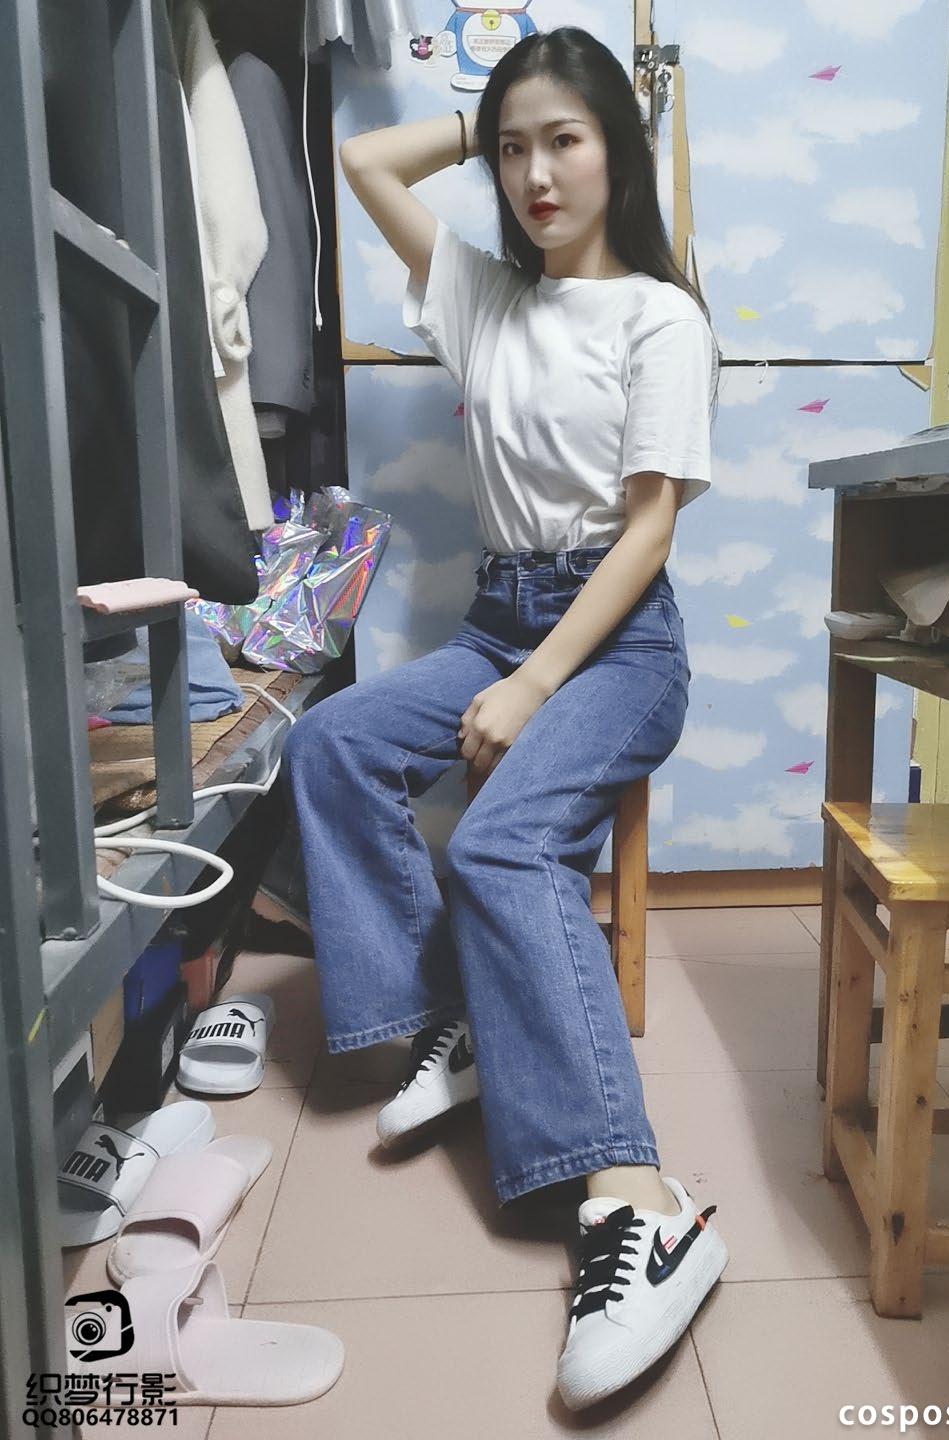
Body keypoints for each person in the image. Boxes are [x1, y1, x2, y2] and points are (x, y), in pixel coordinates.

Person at [284, 25, 728, 1412]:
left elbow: (648, 532)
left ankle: (640, 1200)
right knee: (331, 742)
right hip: (496, 616)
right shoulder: (479, 294)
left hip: (618, 643)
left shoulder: (661, 317)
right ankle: (463, 1018)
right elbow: (366, 159)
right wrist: (489, 120)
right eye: (515, 148)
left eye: (567, 141)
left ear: (618, 152)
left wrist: (537, 685)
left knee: (500, 847)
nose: (537, 174)